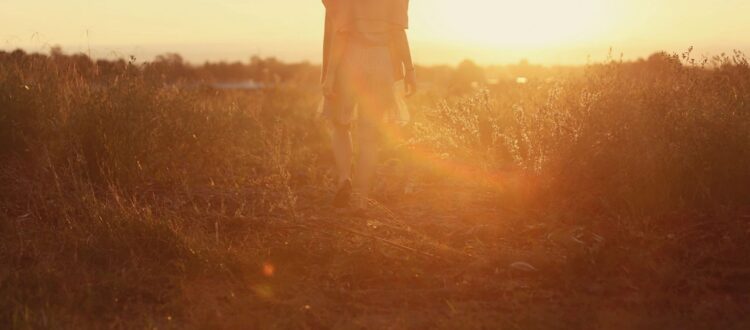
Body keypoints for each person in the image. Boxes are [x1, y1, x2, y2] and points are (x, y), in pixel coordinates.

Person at [320, 0, 417, 212]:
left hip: (350, 59)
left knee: (340, 124)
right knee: (369, 137)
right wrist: (409, 70)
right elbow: (398, 32)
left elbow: (342, 33)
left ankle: (344, 178)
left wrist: (330, 74)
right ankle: (361, 201)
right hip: (381, 61)